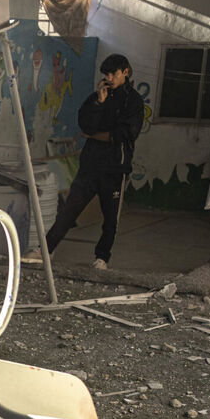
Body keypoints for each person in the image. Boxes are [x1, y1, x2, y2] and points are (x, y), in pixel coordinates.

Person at [30, 54, 143, 270]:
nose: (109, 78)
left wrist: (96, 136)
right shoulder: (96, 97)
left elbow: (126, 133)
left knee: (110, 218)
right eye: (106, 74)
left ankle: (102, 258)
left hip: (115, 168)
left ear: (125, 72)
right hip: (90, 164)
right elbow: (86, 126)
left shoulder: (133, 101)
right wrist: (99, 105)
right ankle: (44, 250)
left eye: (114, 73)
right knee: (69, 210)